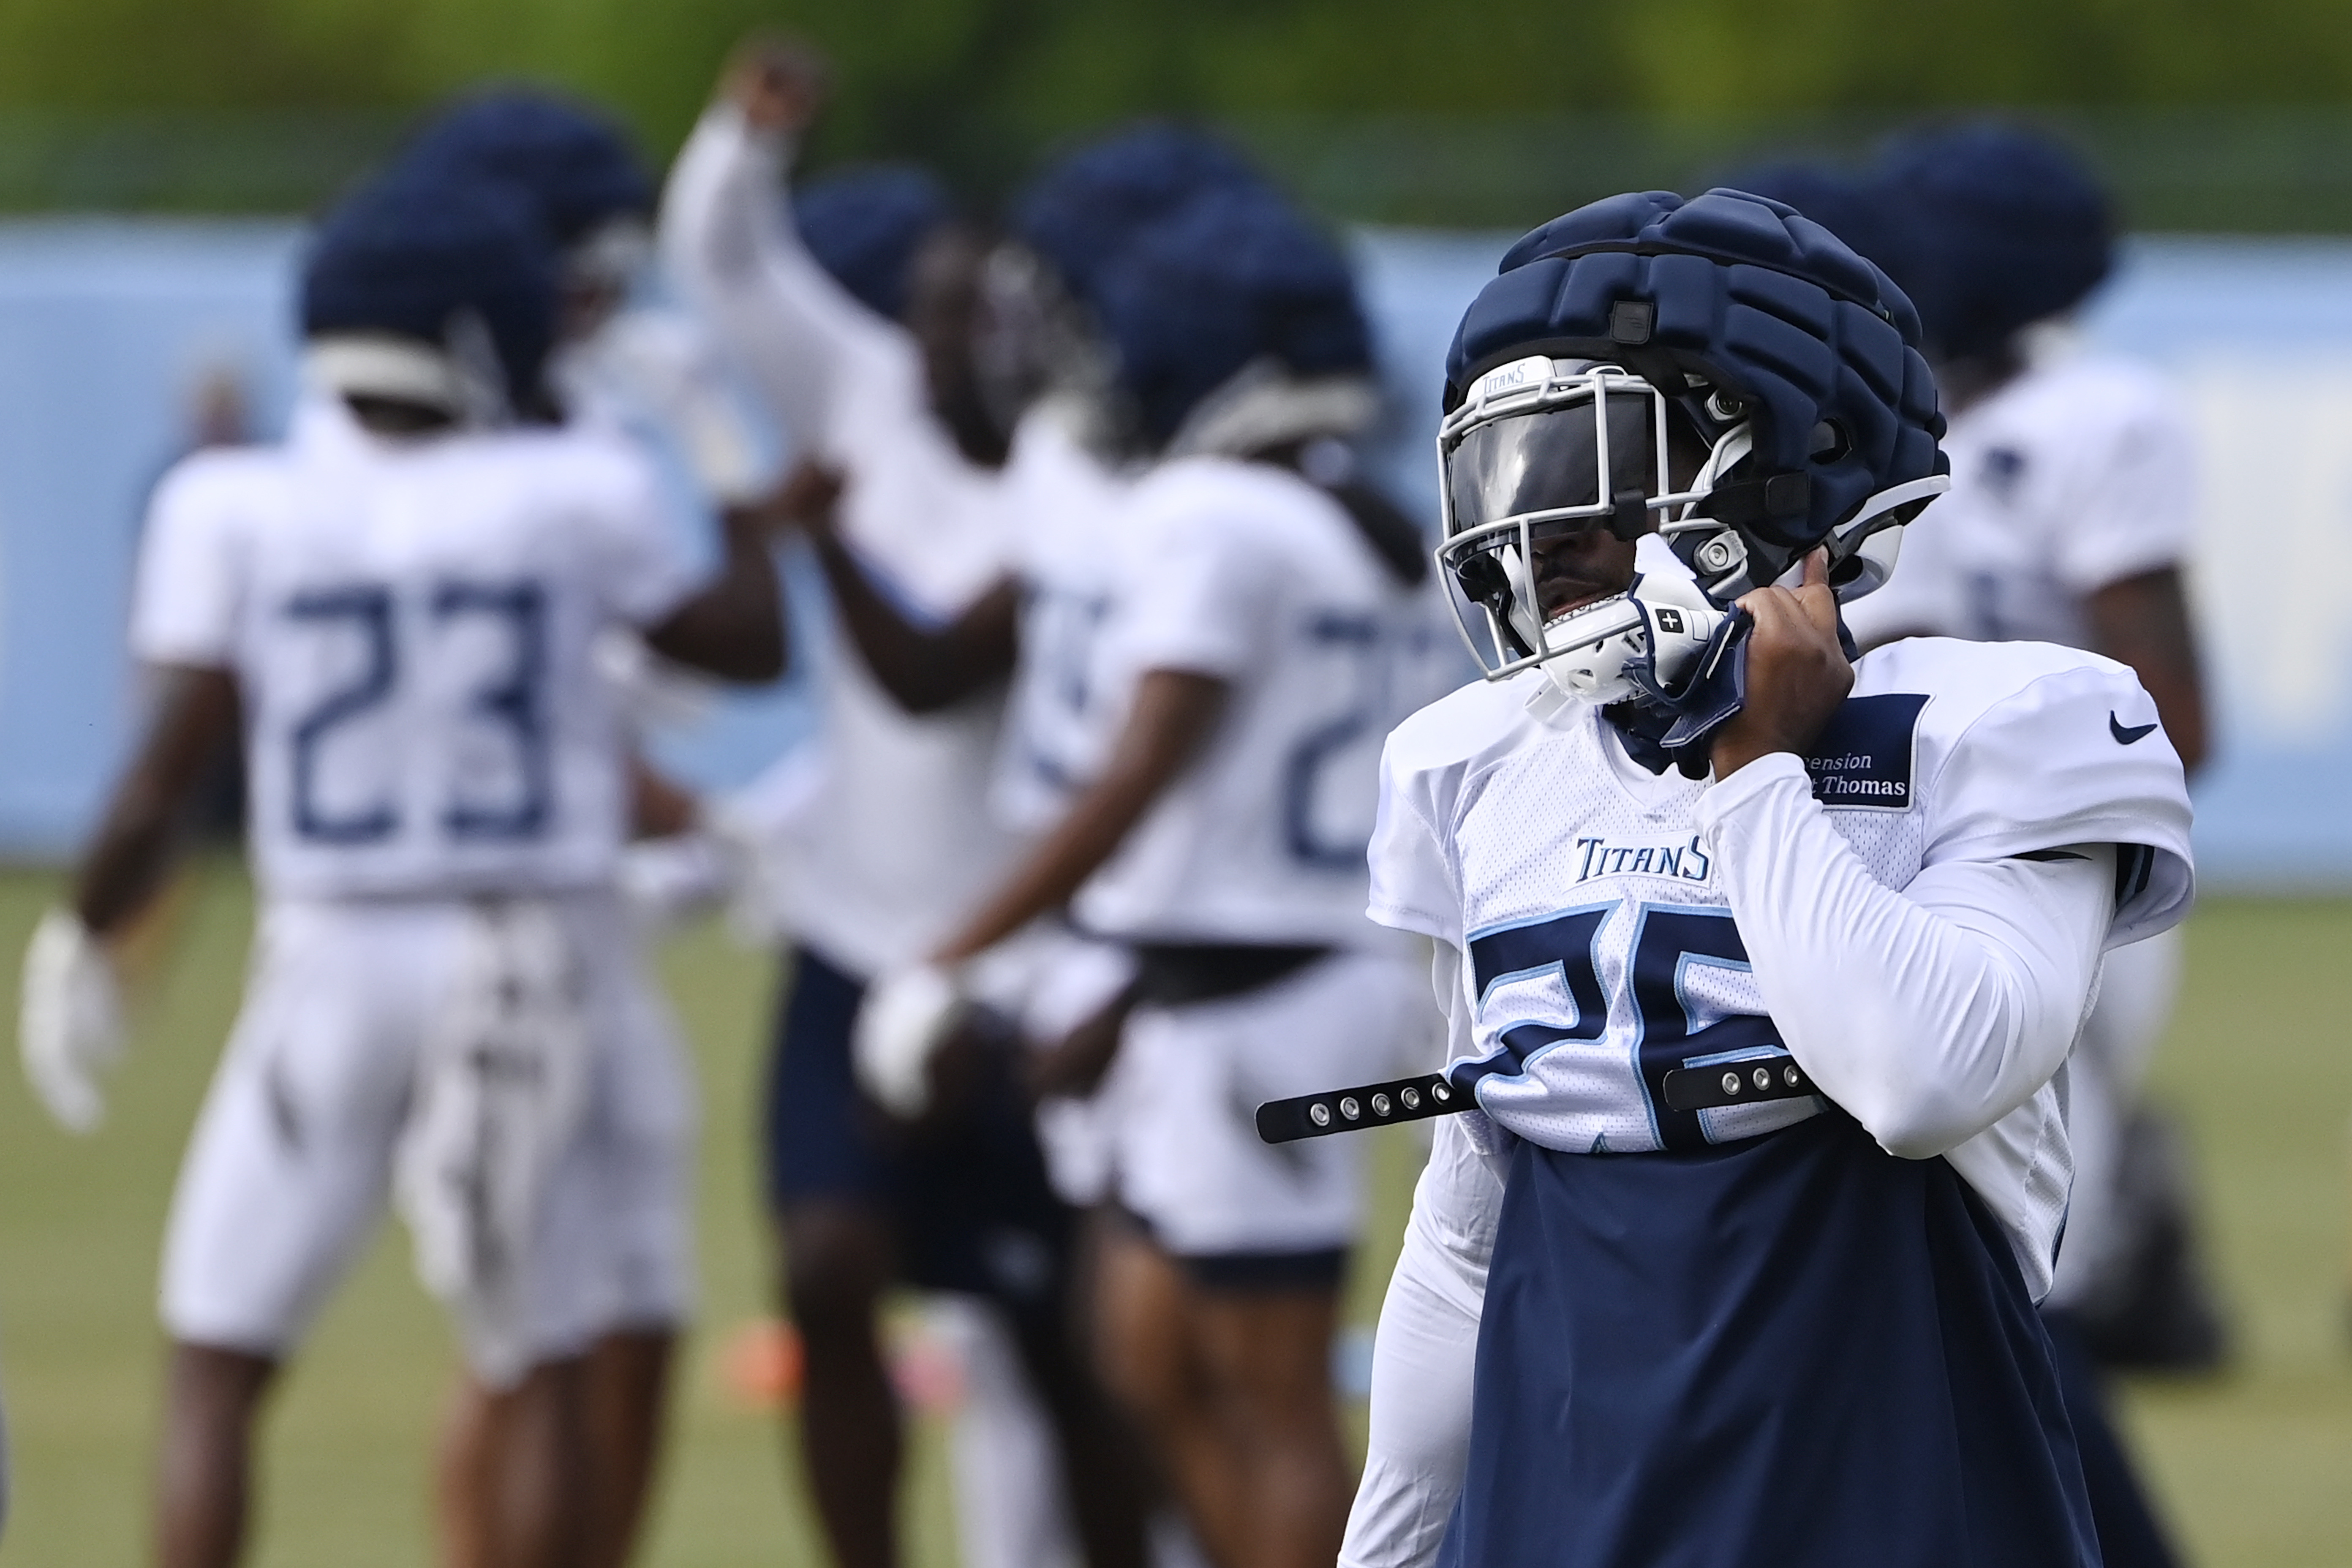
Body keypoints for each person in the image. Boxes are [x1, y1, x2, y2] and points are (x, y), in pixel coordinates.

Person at [1334, 187, 2194, 1568]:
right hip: (1562, 1507)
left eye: (1583, 469)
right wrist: (1384, 1549)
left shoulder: (2000, 727)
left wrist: (1757, 774)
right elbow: (1466, 1226)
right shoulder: (1480, 761)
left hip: (1884, 1492)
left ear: (1778, 469)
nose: (1531, 530)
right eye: (1506, 473)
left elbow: (1920, 1080)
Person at [15, 169, 784, 1568]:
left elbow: (165, 771)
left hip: (333, 953)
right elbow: (748, 642)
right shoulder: (576, 489)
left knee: (217, 1363)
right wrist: (722, 453)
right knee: (540, 1355)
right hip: (525, 953)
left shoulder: (233, 501)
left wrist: (84, 926)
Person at [852, 175, 1434, 1568]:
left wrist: (956, 951)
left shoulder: (1214, 517)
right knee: (1152, 1356)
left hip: (1254, 993)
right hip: (1244, 977)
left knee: (1267, 1390)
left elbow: (1144, 766)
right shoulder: (1369, 522)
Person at [659, 42, 1148, 1568]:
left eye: (981, 315)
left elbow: (933, 672)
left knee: (1067, 1346)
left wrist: (807, 540)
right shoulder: (867, 394)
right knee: (824, 1263)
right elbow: (724, 260)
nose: (946, 344)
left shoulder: (1070, 490)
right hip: (857, 940)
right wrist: (751, 136)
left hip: (1020, 965)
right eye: (932, 313)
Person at [1746, 128, 2216, 1568]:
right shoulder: (1914, 408)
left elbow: (2175, 711)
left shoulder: (2094, 416)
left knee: (2007, 1281)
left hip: (2035, 864)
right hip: (1903, 867)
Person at [389, 87, 782, 1568]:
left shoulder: (572, 420)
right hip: (468, 924)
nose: (605, 290)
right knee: (525, 1330)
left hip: (585, 924)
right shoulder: (435, 447)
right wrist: (694, 809)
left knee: (633, 1310)